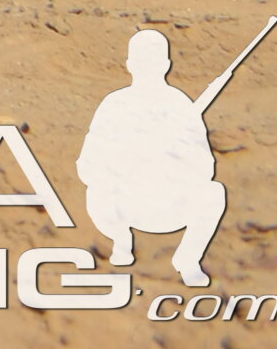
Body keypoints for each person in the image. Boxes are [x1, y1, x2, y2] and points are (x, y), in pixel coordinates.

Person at [77, 25, 238, 287]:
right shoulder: (114, 104)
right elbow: (87, 164)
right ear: (130, 64)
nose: (147, 67)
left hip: (169, 204)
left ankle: (188, 259)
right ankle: (121, 241)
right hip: (123, 203)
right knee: (97, 190)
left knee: (213, 192)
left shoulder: (180, 105)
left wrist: (173, 156)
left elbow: (205, 168)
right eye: (142, 61)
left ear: (165, 64)